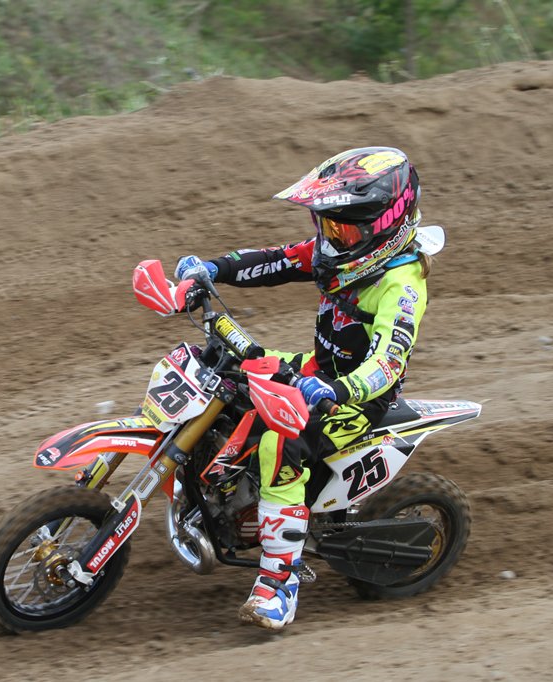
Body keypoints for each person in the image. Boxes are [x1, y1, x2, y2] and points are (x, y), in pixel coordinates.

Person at [174, 146, 443, 630]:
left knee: (281, 443)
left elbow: (387, 362)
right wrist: (214, 269)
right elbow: (278, 260)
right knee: (219, 372)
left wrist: (337, 391)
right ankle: (211, 495)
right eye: (326, 225)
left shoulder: (401, 285)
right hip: (317, 370)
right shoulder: (339, 254)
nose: (331, 238)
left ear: (386, 224)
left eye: (343, 229)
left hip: (356, 398)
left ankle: (280, 585)